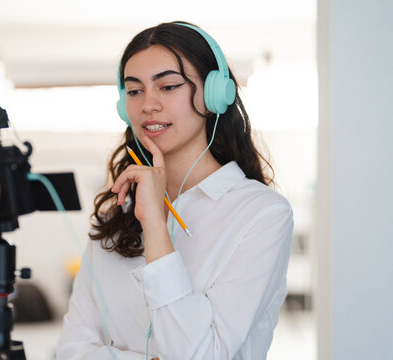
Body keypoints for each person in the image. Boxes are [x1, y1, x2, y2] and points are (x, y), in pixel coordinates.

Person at [56, 21, 293, 360]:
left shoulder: (262, 215)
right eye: (134, 91)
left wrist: (155, 224)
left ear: (214, 94)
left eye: (167, 87)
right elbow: (71, 352)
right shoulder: (118, 213)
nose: (147, 105)